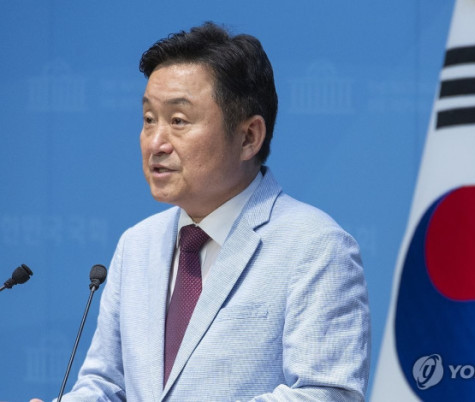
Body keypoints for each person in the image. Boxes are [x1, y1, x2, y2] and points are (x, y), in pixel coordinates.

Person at [36, 21, 370, 401]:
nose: (156, 142)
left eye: (178, 121)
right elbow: (106, 385)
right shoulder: (137, 245)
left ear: (248, 137)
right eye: (149, 120)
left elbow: (326, 393)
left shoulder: (315, 246)